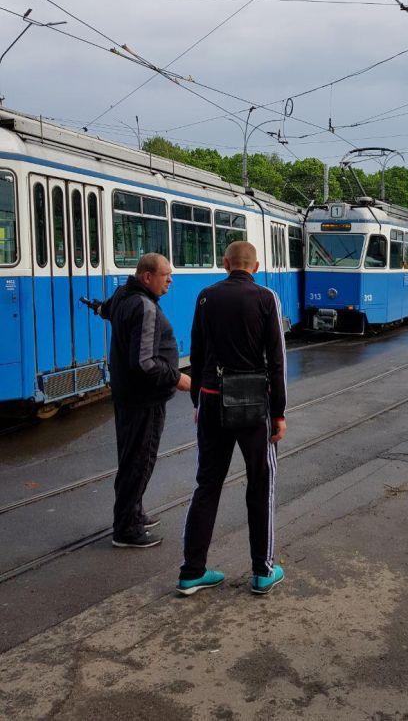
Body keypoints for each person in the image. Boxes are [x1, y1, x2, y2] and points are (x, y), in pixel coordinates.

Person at [177, 240, 287, 597]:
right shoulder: (266, 298)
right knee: (260, 484)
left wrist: (197, 400)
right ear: (255, 267)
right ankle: (262, 571)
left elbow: (197, 351)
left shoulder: (206, 296)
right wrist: (279, 413)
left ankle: (192, 571)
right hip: (254, 407)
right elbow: (276, 360)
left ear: (225, 263)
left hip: (211, 401)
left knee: (206, 486)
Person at [99, 253, 190, 548]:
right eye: (166, 275)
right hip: (144, 399)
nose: (171, 280)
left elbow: (106, 310)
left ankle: (133, 513)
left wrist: (99, 307)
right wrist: (177, 378)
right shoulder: (145, 307)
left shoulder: (123, 295)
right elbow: (145, 363)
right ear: (147, 277)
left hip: (128, 395)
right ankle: (127, 529)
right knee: (139, 461)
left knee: (132, 458)